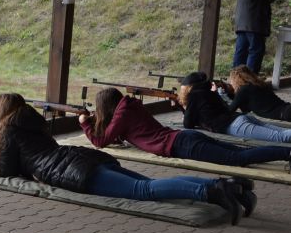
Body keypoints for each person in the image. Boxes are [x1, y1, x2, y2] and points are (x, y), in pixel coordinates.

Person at [0, 93, 248, 226]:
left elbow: (6, 170)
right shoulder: (31, 122)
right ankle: (223, 185)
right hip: (82, 158)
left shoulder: (7, 130)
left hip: (77, 172)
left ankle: (215, 190)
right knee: (152, 184)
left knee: (145, 190)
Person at [80, 86, 282, 217]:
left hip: (181, 144)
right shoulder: (129, 107)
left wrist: (84, 124)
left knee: (238, 158)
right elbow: (116, 134)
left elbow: (100, 141)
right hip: (184, 137)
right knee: (239, 152)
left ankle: (286, 153)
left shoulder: (122, 114)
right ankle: (275, 161)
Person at [180, 70, 291, 144]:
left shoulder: (194, 96)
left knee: (280, 137)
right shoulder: (211, 93)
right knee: (282, 132)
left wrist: (186, 109)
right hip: (240, 118)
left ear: (189, 87)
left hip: (234, 125)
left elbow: (187, 124)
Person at [233, 0, 279, 74]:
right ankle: (250, 82)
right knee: (256, 50)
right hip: (254, 22)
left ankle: (236, 80)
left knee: (241, 52)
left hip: (242, 22)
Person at [227, 64, 291, 121]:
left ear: (236, 79)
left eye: (231, 80)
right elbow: (246, 109)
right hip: (286, 109)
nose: (231, 82)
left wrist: (226, 94)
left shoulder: (244, 89)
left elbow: (230, 110)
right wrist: (230, 94)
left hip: (285, 114)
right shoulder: (259, 84)